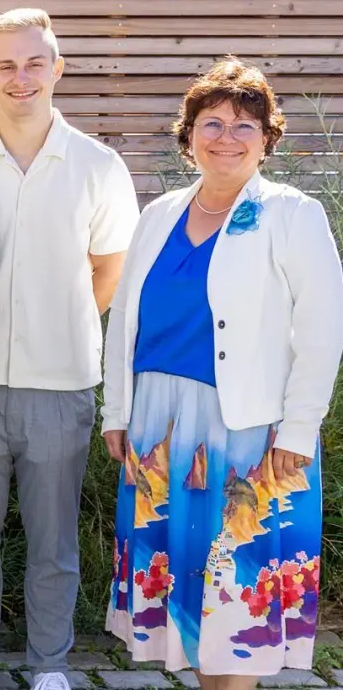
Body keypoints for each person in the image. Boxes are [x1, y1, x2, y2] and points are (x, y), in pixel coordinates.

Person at [101, 58, 343, 681]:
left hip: (248, 434)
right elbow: (124, 319)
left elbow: (322, 333)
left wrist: (297, 431)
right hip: (159, 429)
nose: (227, 138)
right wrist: (117, 413)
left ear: (267, 138)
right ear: (188, 136)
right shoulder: (158, 216)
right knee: (187, 600)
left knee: (235, 607)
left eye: (245, 125)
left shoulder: (292, 213)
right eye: (212, 123)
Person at [0, 9, 139, 690]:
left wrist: (64, 322)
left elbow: (109, 270)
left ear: (57, 69)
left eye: (34, 63)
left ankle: (50, 665)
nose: (20, 78)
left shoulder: (98, 165)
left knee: (52, 544)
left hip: (62, 384)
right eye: (6, 65)